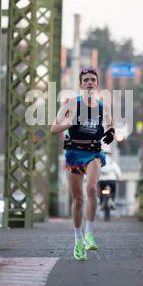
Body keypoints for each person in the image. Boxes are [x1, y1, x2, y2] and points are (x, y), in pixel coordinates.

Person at [51, 68, 115, 260]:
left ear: (97, 84)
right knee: (78, 199)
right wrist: (69, 124)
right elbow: (53, 128)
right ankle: (78, 240)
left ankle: (89, 233)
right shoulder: (71, 103)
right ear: (80, 85)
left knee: (92, 190)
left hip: (94, 152)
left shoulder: (103, 106)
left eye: (92, 80)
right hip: (74, 154)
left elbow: (111, 124)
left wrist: (111, 132)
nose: (89, 83)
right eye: (85, 80)